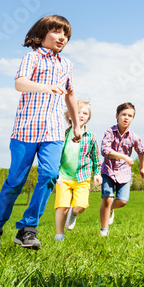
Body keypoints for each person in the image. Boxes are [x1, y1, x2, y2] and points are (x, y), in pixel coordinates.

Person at [0, 15, 81, 252]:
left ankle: (28, 229)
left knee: (48, 175)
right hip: (26, 130)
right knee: (15, 182)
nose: (62, 38)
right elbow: (20, 82)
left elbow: (70, 94)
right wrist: (45, 87)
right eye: (57, 32)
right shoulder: (32, 57)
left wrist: (77, 124)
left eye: (66, 34)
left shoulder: (66, 64)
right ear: (40, 35)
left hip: (54, 130)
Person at [53, 100, 101, 242]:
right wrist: (56, 175)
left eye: (85, 113)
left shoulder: (90, 137)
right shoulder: (63, 135)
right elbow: (55, 157)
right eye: (77, 112)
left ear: (88, 117)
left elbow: (96, 157)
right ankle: (59, 235)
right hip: (64, 177)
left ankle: (73, 214)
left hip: (82, 178)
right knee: (62, 207)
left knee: (80, 206)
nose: (81, 115)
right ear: (70, 116)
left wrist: (97, 173)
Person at [98, 102, 144, 237]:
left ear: (132, 119)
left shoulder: (134, 137)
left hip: (124, 172)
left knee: (122, 201)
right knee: (107, 198)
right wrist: (124, 156)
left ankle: (111, 209)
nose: (126, 118)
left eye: (130, 116)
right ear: (117, 116)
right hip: (108, 170)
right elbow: (105, 150)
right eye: (123, 114)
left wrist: (143, 167)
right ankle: (104, 230)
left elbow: (142, 151)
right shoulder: (110, 132)